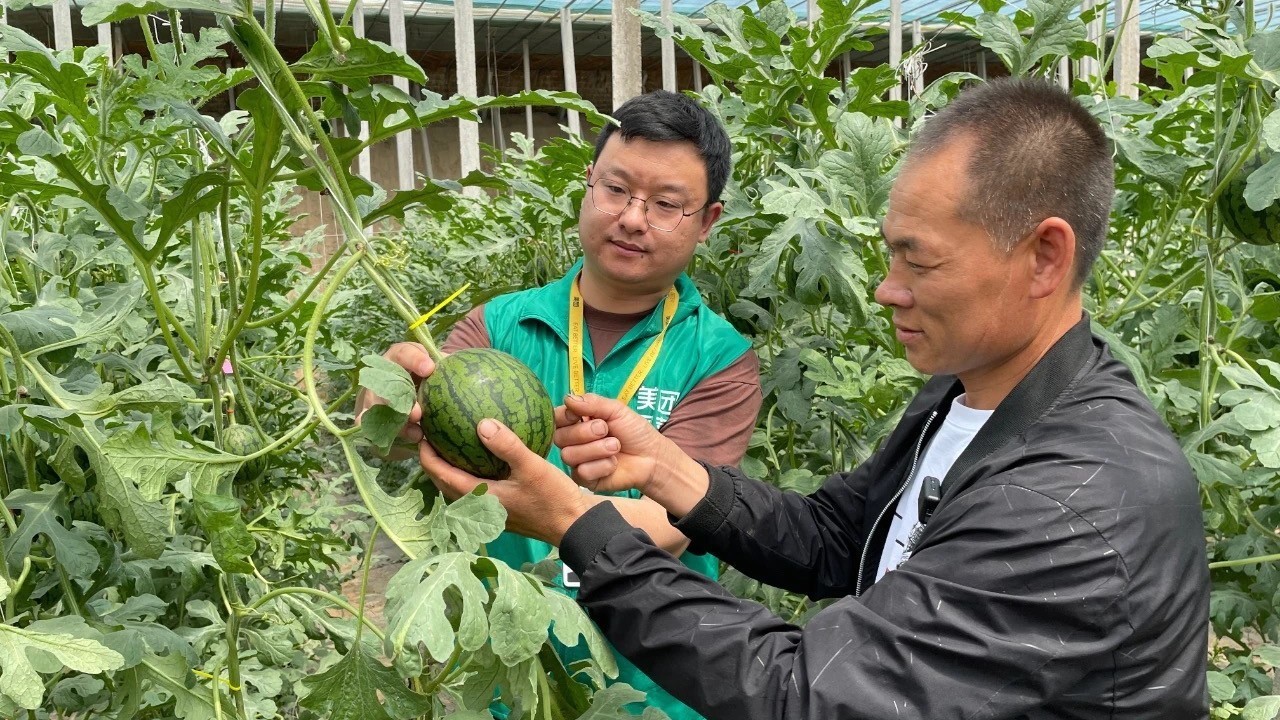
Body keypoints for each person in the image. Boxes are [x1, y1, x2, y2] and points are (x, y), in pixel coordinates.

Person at [419, 78, 1211, 718]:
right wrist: (667, 469)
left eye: (918, 261)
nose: (886, 288)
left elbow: (808, 694)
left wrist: (572, 523)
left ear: (1043, 257)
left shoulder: (1075, 501)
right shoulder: (966, 396)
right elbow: (838, 537)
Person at [358, 90, 762, 719]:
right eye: (616, 189)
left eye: (665, 205)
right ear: (587, 187)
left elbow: (669, 527)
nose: (632, 218)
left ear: (706, 222)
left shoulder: (721, 359)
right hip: (503, 673)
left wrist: (555, 512)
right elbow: (390, 432)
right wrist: (388, 398)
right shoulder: (496, 326)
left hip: (656, 685)